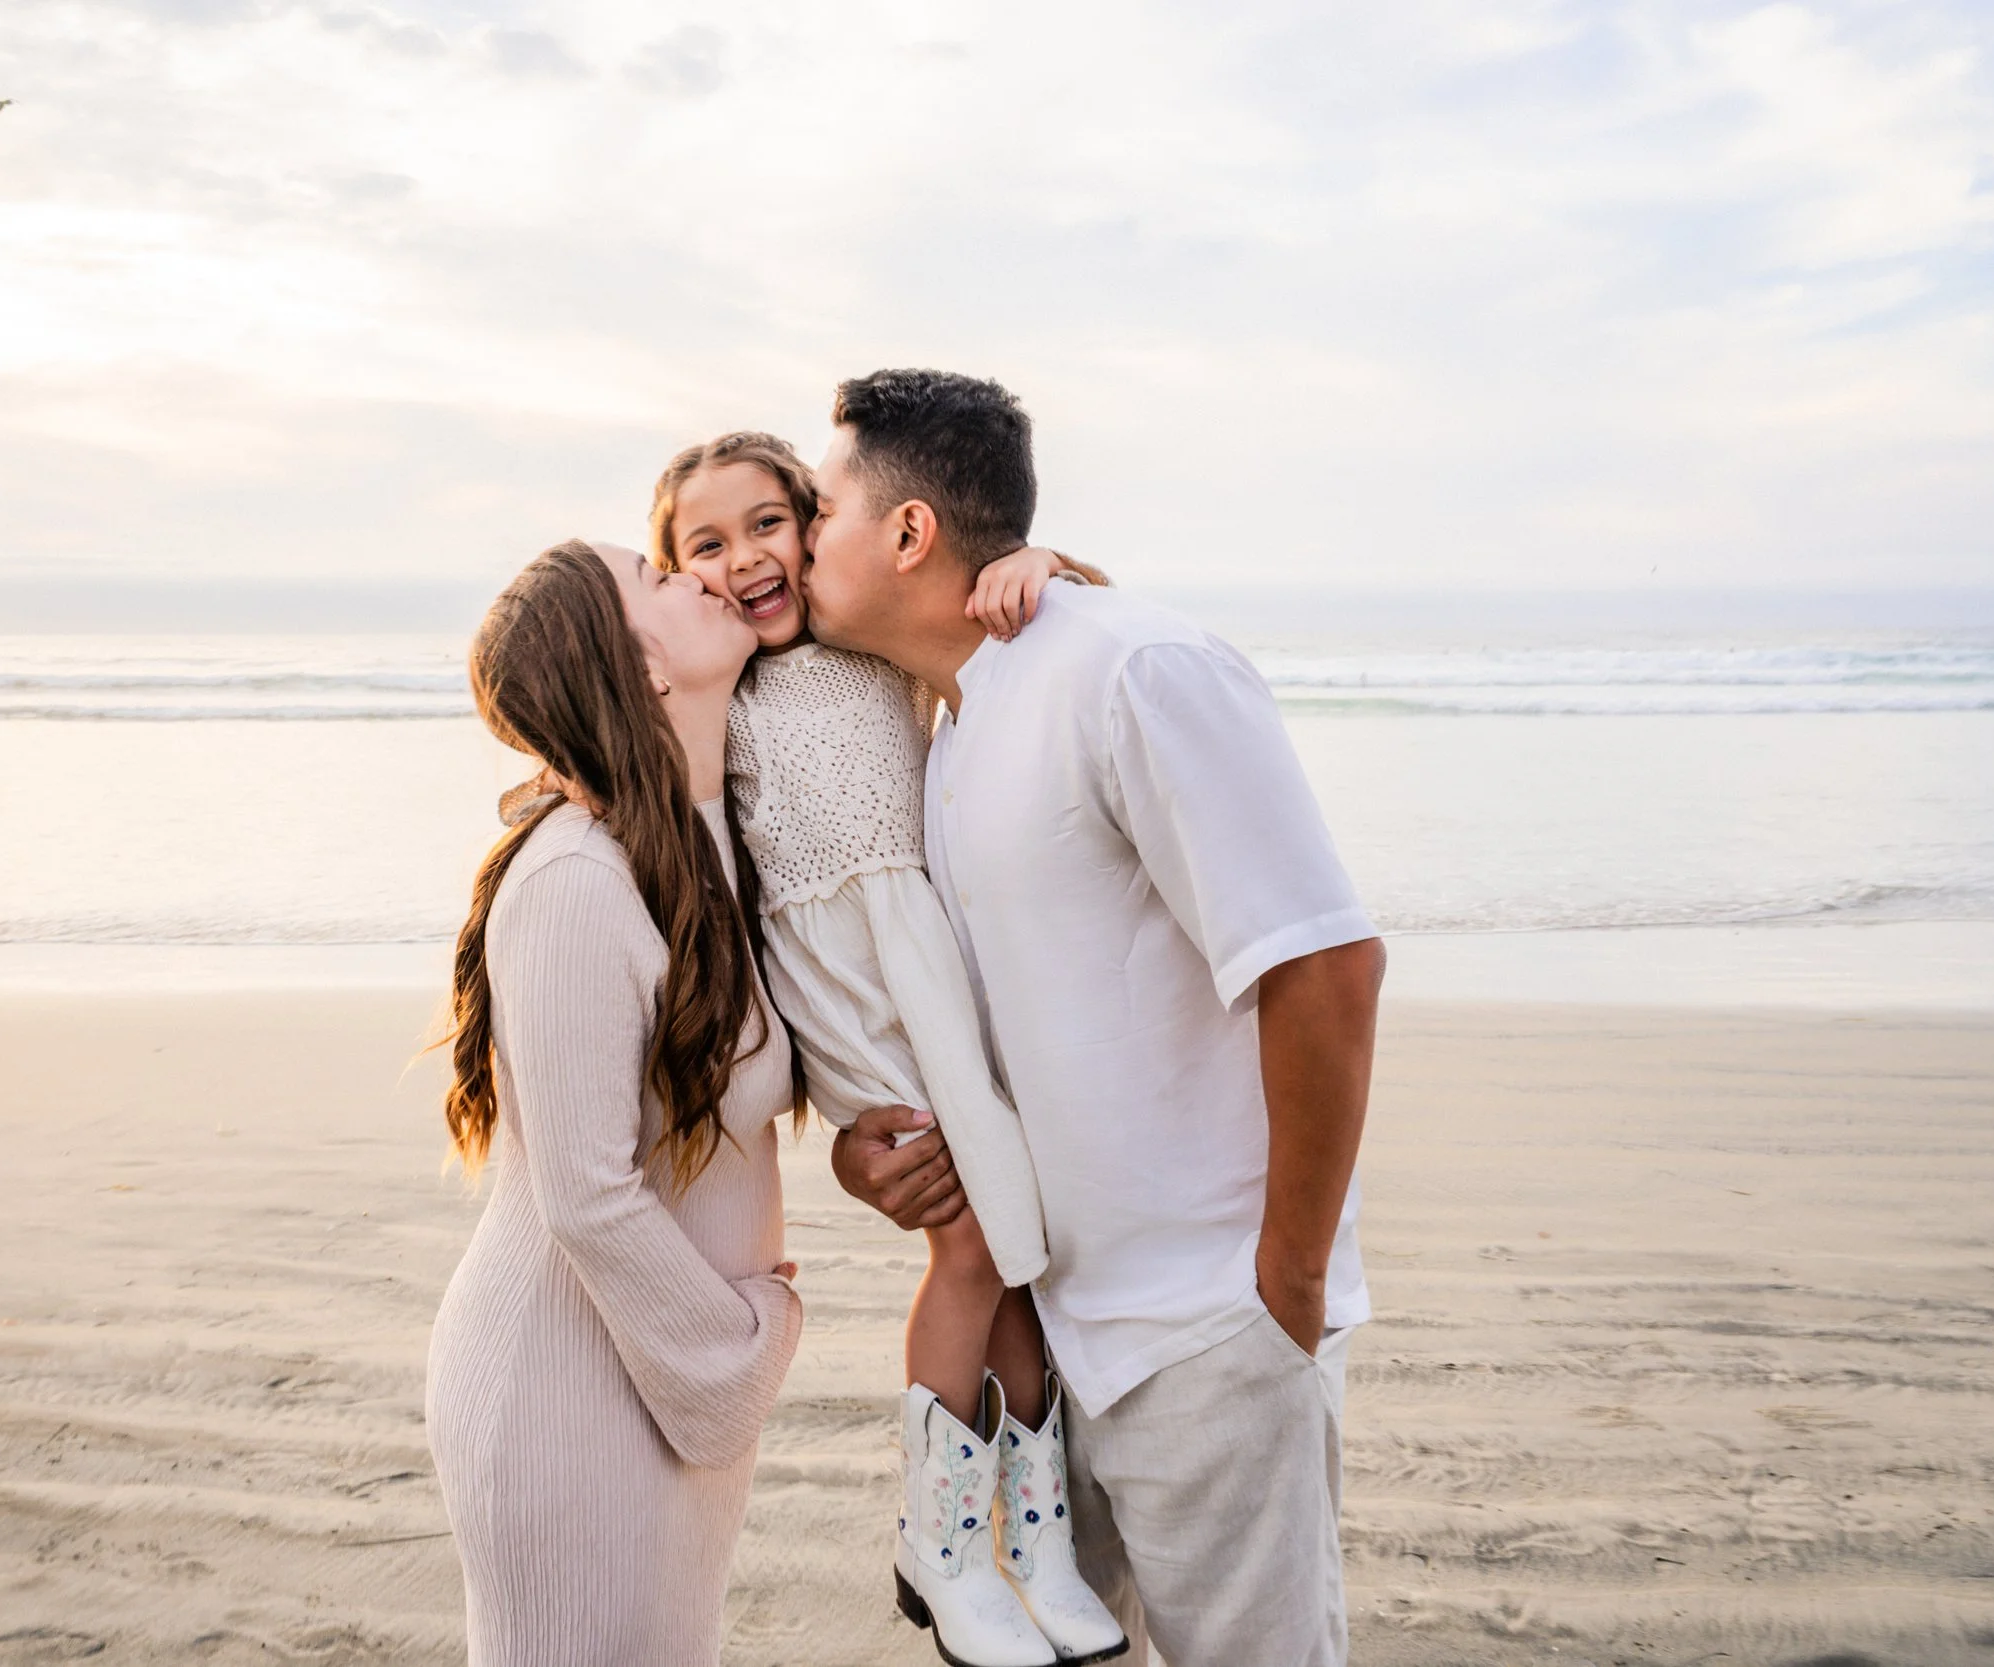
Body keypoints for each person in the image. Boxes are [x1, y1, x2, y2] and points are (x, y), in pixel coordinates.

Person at [805, 370, 1386, 1667]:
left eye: (819, 503)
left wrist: (1281, 1283)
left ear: (909, 532)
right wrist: (874, 1149)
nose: (795, 534)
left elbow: (1325, 965)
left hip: (1204, 1328)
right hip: (1051, 1350)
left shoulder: (1132, 667)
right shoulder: (950, 725)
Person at [648, 431, 1127, 1667]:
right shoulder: (720, 688)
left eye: (770, 522)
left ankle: (1035, 1535)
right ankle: (943, 1541)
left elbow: (1007, 603)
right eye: (708, 543)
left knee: (1010, 1251)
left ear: (818, 527)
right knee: (968, 1241)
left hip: (940, 972)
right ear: (676, 573)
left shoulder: (866, 639)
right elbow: (672, 822)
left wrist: (1037, 561)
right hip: (852, 993)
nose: (746, 557)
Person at [424, 538, 804, 1667]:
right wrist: (731, 1360)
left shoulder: (699, 838)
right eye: (657, 576)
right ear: (639, 667)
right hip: (577, 1390)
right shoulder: (575, 880)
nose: (697, 574)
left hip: (655, 1378)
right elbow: (586, 1192)